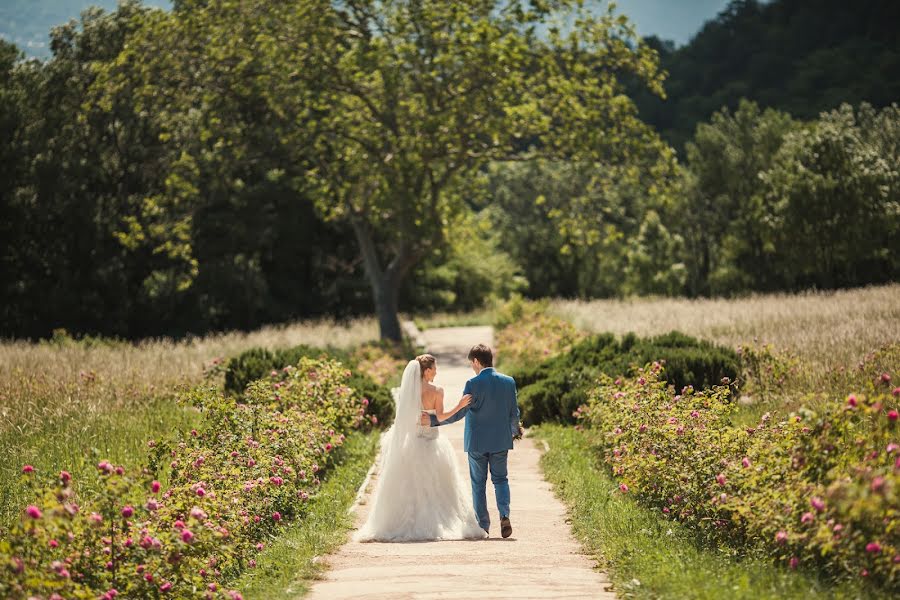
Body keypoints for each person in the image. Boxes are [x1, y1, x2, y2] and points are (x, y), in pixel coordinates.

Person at [354, 354, 487, 542]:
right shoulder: (437, 391)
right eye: (434, 368)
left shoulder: (407, 392)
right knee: (438, 487)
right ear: (426, 371)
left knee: (410, 486)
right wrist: (459, 405)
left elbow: (404, 420)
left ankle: (403, 522)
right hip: (432, 444)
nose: (437, 371)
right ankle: (435, 522)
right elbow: (440, 417)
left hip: (412, 444)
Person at [422, 343, 521, 538]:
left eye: (471, 363)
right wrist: (513, 432)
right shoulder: (509, 382)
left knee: (478, 483)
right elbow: (514, 413)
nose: (472, 367)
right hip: (500, 441)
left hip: (476, 442)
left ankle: (483, 525)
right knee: (501, 480)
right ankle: (505, 515)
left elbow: (460, 413)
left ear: (476, 361)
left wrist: (434, 421)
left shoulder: (472, 384)